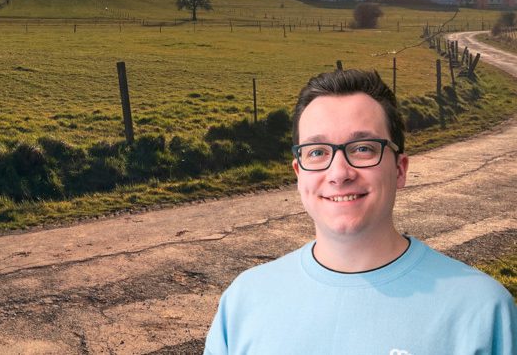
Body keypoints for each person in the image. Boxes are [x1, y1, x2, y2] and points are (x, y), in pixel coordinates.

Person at [204, 68, 516, 354]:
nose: (339, 172)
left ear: (400, 169)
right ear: (299, 174)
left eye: (363, 148)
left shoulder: (481, 310)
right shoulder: (244, 301)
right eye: (317, 152)